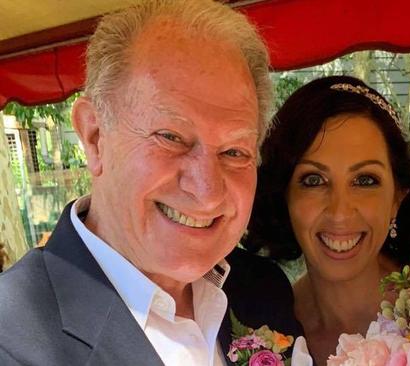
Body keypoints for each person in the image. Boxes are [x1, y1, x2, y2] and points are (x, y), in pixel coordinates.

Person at [0, 1, 304, 365]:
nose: (206, 192)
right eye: (171, 137)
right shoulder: (12, 338)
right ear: (95, 138)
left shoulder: (262, 289)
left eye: (235, 152)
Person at [243, 75, 410, 364]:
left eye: (364, 180)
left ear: (397, 197)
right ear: (283, 196)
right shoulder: (265, 328)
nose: (340, 211)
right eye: (313, 180)